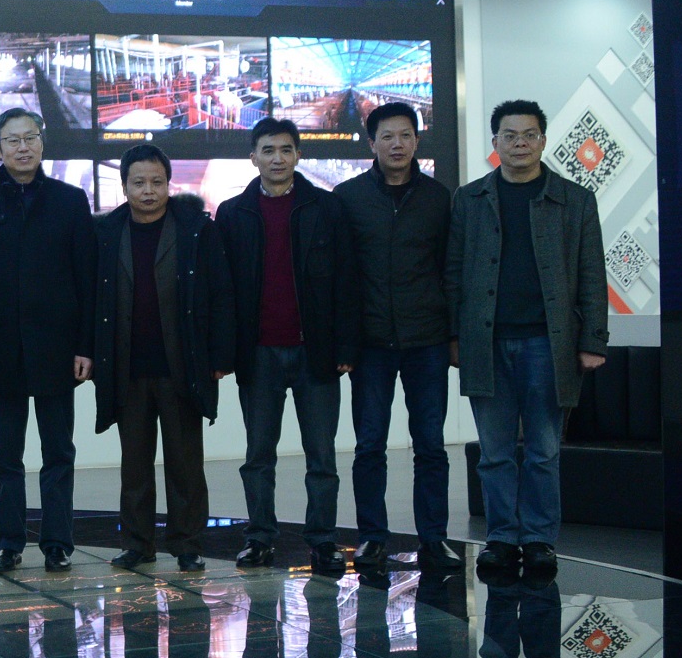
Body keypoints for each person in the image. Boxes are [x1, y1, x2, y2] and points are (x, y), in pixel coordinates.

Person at [447, 100, 607, 578]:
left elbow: (592, 274)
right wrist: (454, 336)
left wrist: (593, 340)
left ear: (543, 140)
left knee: (544, 451)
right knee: (494, 453)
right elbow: (453, 273)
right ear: (495, 142)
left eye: (529, 134)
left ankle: (538, 540)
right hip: (486, 342)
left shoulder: (575, 200)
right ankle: (501, 539)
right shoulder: (469, 199)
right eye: (510, 135)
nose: (520, 143)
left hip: (549, 344)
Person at [0, 108, 99, 574]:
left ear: (42, 143)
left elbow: (86, 279)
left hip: (59, 349)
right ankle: (8, 542)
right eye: (13, 140)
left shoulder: (70, 201)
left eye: (30, 138)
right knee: (5, 454)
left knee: (59, 451)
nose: (23, 147)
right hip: (0, 352)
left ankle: (57, 543)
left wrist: (85, 346)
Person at [220, 119, 360, 575]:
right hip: (258, 354)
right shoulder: (233, 213)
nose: (277, 158)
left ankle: (323, 541)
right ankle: (260, 538)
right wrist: (225, 353)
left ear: (298, 155)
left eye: (285, 149)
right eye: (268, 150)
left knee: (322, 456)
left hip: (314, 352)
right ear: (253, 157)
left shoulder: (326, 207)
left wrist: (346, 347)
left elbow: (346, 280)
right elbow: (223, 291)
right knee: (258, 456)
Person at [90, 143, 233, 573]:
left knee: (185, 463)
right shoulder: (106, 231)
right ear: (124, 186)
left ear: (169, 184)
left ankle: (188, 544)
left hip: (182, 365)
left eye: (156, 182)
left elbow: (221, 293)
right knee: (134, 464)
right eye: (139, 183)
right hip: (127, 367)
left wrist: (219, 354)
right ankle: (138, 544)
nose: (148, 191)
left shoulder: (196, 230)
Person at [334, 103, 460, 572]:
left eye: (405, 135)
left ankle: (434, 538)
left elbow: (451, 270)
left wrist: (452, 335)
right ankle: (372, 536)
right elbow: (341, 277)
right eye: (387, 136)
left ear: (417, 141)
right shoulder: (348, 198)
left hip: (427, 340)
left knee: (430, 445)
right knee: (369, 445)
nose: (397, 144)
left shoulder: (438, 198)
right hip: (370, 344)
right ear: (372, 143)